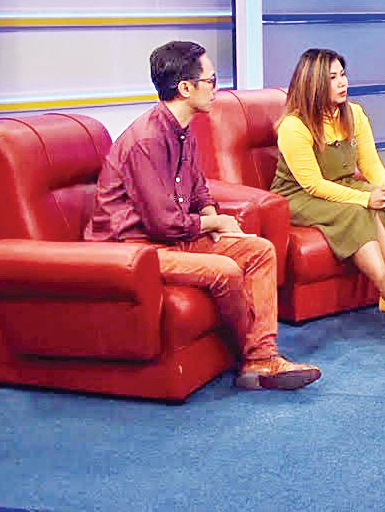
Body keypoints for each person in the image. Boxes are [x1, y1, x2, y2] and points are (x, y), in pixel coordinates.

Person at [87, 41, 320, 390]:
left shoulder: (183, 130)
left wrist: (217, 227)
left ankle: (261, 357)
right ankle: (255, 356)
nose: (216, 89)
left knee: (258, 251)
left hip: (171, 239)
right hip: (135, 250)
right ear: (186, 88)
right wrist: (217, 222)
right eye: (211, 81)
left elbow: (198, 191)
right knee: (225, 270)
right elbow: (163, 223)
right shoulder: (147, 140)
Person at [271, 49, 385, 321]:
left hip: (340, 184)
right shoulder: (293, 126)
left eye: (343, 75)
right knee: (357, 211)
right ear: (313, 84)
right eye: (332, 78)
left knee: (383, 203)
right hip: (298, 196)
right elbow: (313, 185)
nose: (342, 82)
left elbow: (370, 164)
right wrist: (366, 199)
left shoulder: (354, 113)